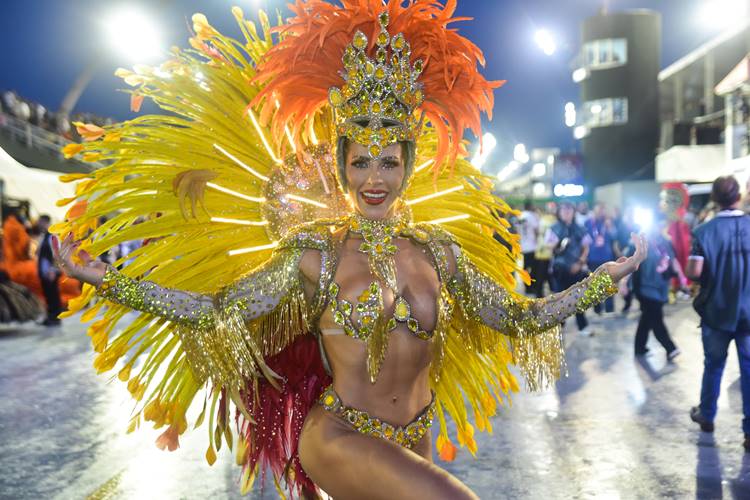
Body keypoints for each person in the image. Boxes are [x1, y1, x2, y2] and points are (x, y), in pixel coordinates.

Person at [52, 4, 647, 498]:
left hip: (414, 433)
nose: (374, 178)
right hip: (339, 435)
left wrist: (602, 280)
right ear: (341, 168)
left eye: (388, 161)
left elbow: (519, 317)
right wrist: (106, 278)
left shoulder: (439, 252)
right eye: (360, 161)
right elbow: (216, 311)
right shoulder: (316, 254)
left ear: (408, 166)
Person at [687, 176, 750, 449]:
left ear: (714, 198)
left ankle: (707, 415)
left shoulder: (704, 232)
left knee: (713, 365)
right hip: (749, 314)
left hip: (715, 312)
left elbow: (694, 271)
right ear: (738, 196)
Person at [631, 220, 682, 360]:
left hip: (661, 287)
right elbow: (630, 262)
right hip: (645, 288)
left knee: (647, 318)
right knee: (656, 319)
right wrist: (624, 284)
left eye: (661, 225)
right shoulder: (641, 242)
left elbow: (673, 260)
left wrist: (681, 279)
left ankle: (639, 347)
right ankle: (670, 348)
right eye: (656, 224)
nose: (659, 228)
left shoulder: (666, 242)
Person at [547, 202, 595, 336]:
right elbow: (549, 246)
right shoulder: (554, 228)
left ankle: (582, 327)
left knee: (578, 298)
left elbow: (586, 247)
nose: (566, 212)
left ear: (574, 212)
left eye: (569, 210)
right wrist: (557, 244)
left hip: (576, 268)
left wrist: (579, 263)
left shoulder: (580, 228)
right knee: (559, 298)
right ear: (559, 212)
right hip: (559, 269)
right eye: (563, 210)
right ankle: (559, 326)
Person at [585, 202, 617, 314]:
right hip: (592, 257)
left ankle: (609, 309)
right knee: (595, 284)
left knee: (609, 282)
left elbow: (614, 236)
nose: (600, 212)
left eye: (602, 210)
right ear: (594, 211)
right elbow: (583, 239)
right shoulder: (588, 223)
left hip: (607, 257)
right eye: (598, 210)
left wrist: (610, 227)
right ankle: (597, 309)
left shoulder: (608, 222)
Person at [36, 214, 61, 326]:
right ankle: (50, 316)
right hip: (44, 272)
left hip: (51, 272)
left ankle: (55, 317)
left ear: (46, 222)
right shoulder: (43, 237)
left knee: (53, 294)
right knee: (48, 295)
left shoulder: (52, 237)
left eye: (40, 222)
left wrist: (53, 270)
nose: (39, 224)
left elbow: (56, 254)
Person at [533, 201, 557, 298]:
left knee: (543, 274)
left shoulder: (542, 219)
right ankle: (547, 293)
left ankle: (540, 293)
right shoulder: (553, 220)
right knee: (545, 273)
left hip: (543, 249)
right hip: (547, 250)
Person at [518, 200, 539, 294]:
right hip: (532, 246)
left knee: (525, 267)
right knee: (533, 268)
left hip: (523, 245)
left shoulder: (520, 216)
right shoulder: (531, 216)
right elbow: (536, 230)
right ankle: (531, 287)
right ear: (530, 206)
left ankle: (526, 286)